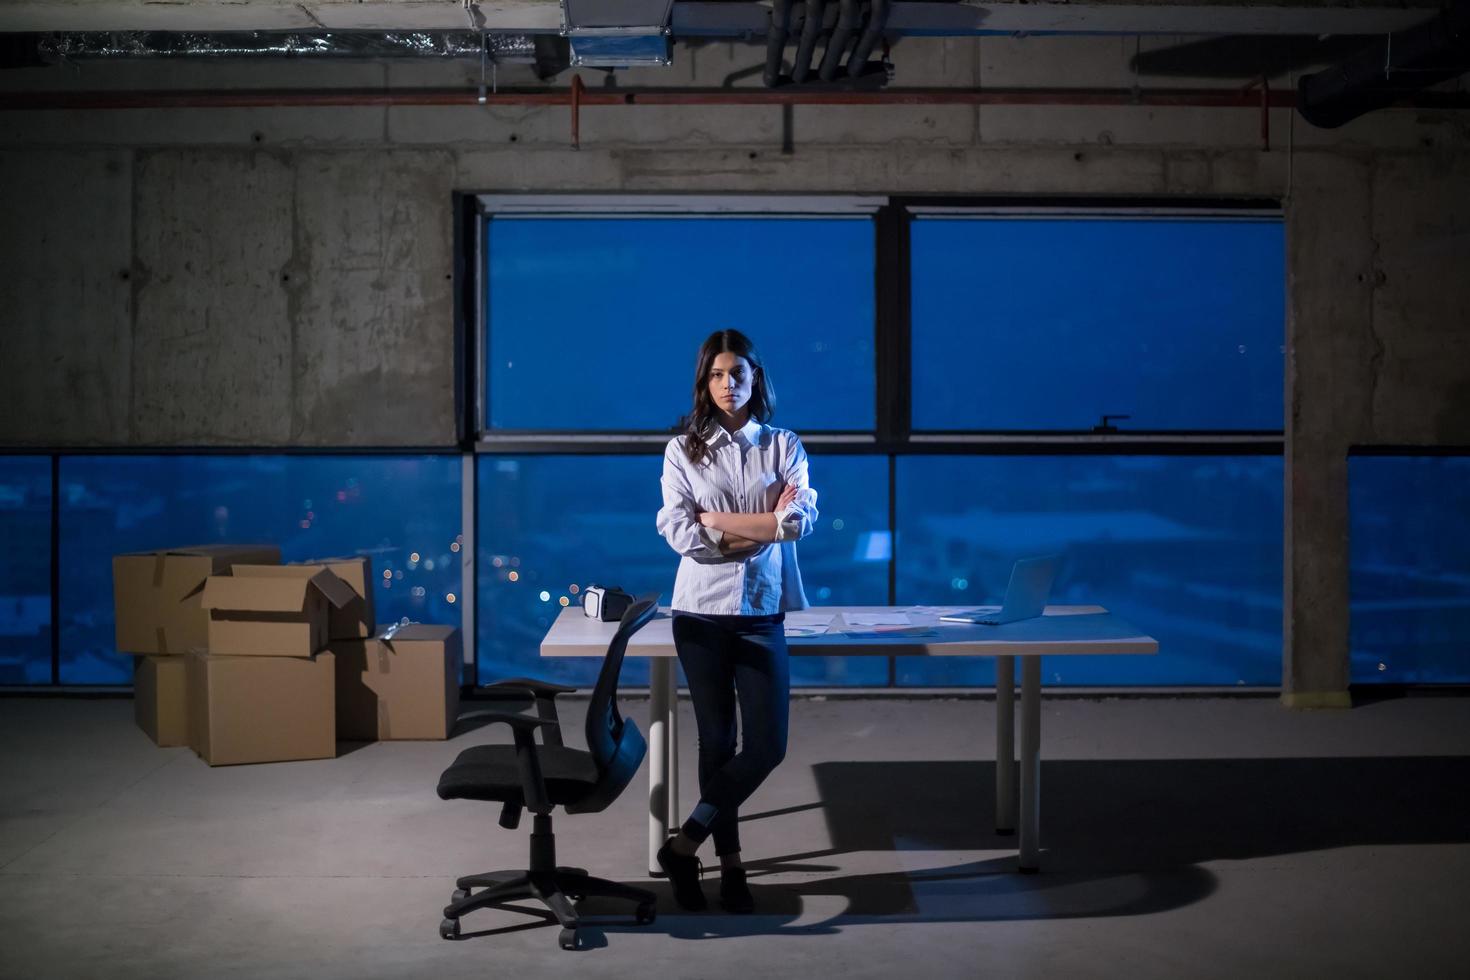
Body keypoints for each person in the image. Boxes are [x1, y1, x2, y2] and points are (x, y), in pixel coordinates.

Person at [653, 328, 819, 914]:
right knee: (717, 742)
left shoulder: (783, 445)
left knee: (768, 745)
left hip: (761, 612)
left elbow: (796, 523)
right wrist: (759, 526)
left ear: (756, 379)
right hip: (699, 613)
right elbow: (679, 533)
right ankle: (730, 864)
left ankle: (684, 843)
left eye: (739, 373)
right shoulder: (682, 450)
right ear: (705, 381)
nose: (728, 384)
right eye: (718, 374)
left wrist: (721, 520)